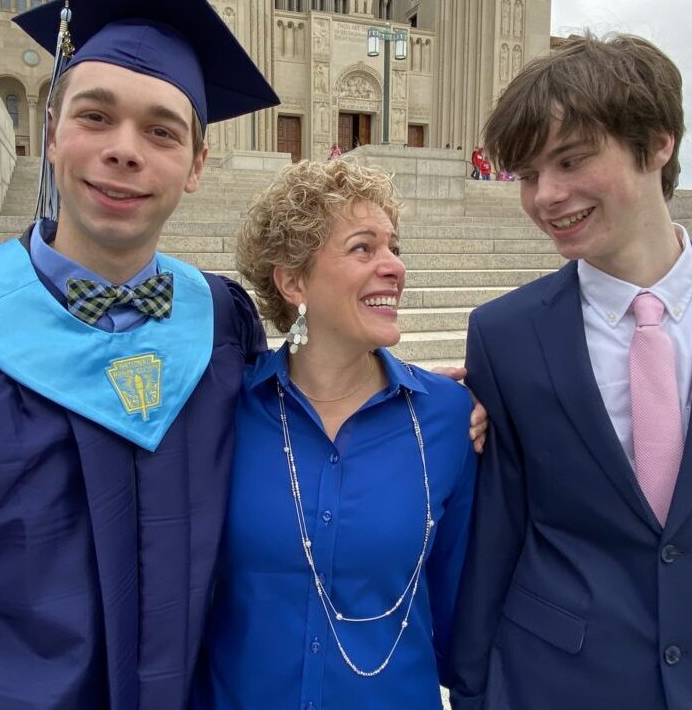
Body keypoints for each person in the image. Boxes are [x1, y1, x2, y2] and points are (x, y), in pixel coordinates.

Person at [0, 0, 279, 709]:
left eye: (161, 131)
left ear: (196, 165)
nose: (124, 147)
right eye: (95, 116)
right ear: (51, 134)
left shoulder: (224, 322)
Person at [449, 34, 691, 709]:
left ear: (658, 142)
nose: (545, 196)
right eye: (528, 174)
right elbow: (496, 539)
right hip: (555, 683)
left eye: (571, 160)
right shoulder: (505, 335)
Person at [194, 159, 478, 709]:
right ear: (293, 280)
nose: (394, 266)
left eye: (394, 247)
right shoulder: (225, 409)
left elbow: (460, 606)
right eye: (363, 248)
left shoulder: (447, 417)